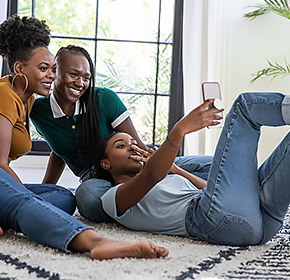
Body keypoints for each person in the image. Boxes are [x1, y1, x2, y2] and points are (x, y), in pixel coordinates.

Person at [93, 83, 290, 268]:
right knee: (244, 106)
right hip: (210, 223)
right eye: (121, 145)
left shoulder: (168, 174)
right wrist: (180, 130)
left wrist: (178, 170)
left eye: (134, 141)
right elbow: (149, 180)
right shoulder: (111, 198)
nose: (132, 145)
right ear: (106, 165)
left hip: (258, 224)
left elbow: (208, 189)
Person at [0, 15, 168, 260]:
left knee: (63, 196)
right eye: (44, 69)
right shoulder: (2, 94)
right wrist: (25, 199)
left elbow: (54, 150)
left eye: (52, 69)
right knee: (23, 200)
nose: (51, 75)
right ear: (20, 68)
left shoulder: (27, 99)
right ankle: (93, 242)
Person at [30, 45, 212, 222]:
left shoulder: (104, 99)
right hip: (99, 179)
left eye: (86, 77)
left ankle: (177, 186)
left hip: (135, 164)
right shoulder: (38, 111)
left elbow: (138, 147)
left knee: (214, 165)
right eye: (73, 74)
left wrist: (164, 169)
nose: (80, 83)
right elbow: (59, 148)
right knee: (88, 198)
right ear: (55, 72)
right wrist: (46, 187)